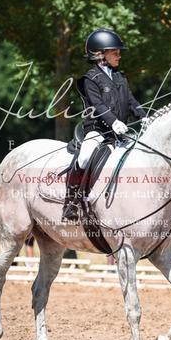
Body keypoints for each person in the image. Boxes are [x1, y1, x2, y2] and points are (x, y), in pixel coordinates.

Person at [62, 28, 148, 223]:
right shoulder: (90, 79)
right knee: (84, 157)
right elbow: (98, 105)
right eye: (115, 52)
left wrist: (143, 116)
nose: (119, 56)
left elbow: (131, 101)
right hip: (98, 131)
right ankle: (71, 203)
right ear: (100, 54)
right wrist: (113, 122)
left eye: (118, 53)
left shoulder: (120, 77)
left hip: (122, 132)